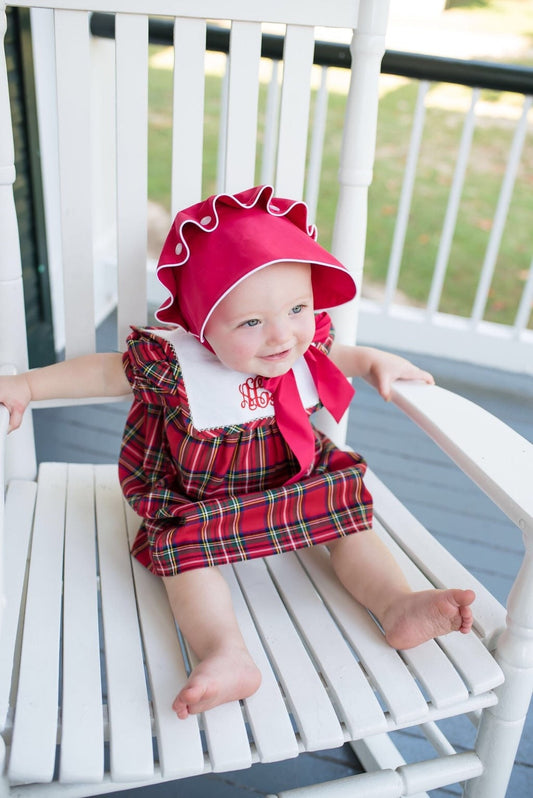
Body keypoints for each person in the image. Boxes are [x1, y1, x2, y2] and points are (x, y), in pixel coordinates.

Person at [0, 185, 475, 720]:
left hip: (293, 476)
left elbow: (337, 352)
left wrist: (372, 361)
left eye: (297, 308)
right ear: (204, 323)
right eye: (251, 322)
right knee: (184, 554)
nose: (281, 336)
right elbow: (104, 373)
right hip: (202, 496)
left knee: (347, 518)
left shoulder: (301, 344)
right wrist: (28, 387)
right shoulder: (175, 363)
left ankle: (395, 604)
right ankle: (225, 652)